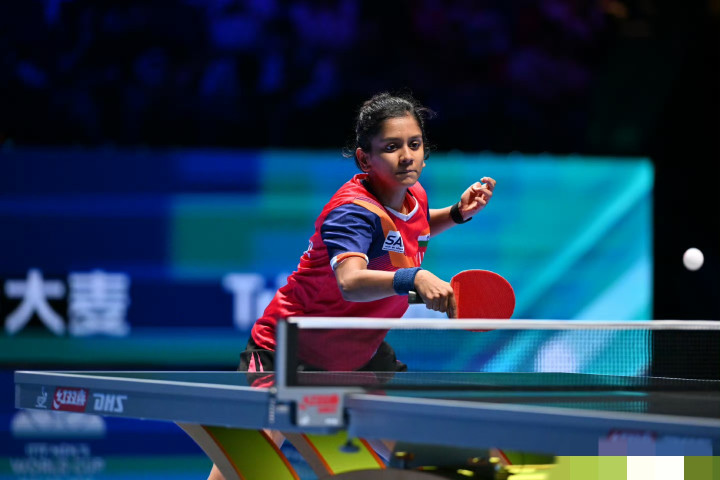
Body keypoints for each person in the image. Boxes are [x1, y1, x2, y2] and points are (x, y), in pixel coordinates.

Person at [207, 91, 495, 479]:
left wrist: (457, 213)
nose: (406, 156)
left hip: (357, 353)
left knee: (424, 454)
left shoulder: (413, 196)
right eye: (391, 147)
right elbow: (350, 281)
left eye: (414, 144)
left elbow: (412, 229)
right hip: (290, 349)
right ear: (364, 159)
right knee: (246, 463)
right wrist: (414, 277)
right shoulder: (352, 213)